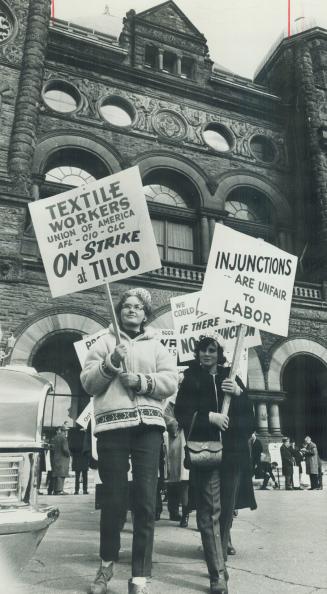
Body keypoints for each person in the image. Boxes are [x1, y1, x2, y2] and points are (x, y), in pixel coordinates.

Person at [81, 288, 177, 594]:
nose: (132, 310)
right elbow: (88, 382)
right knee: (114, 500)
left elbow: (170, 381)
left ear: (146, 315)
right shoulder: (104, 342)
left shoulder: (158, 346)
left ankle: (139, 576)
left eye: (138, 307)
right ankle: (106, 566)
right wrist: (111, 362)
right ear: (119, 311)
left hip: (147, 428)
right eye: (127, 306)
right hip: (112, 428)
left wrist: (142, 382)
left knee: (147, 502)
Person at [175, 336, 256, 594]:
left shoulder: (231, 377)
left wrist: (240, 395)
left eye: (212, 350)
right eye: (202, 350)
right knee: (209, 512)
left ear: (219, 353)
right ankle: (217, 573)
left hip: (232, 455)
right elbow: (181, 414)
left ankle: (219, 559)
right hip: (206, 453)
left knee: (225, 513)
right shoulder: (190, 379)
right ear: (197, 353)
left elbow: (249, 421)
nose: (206, 354)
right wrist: (209, 417)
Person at [163, 386, 190, 528]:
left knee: (189, 481)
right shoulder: (173, 401)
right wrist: (174, 424)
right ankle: (178, 512)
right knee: (178, 481)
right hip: (179, 442)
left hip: (194, 439)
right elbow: (167, 416)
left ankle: (188, 514)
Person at [69, 427, 91, 495]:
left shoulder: (74, 436)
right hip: (84, 457)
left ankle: (76, 490)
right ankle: (85, 490)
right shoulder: (86, 436)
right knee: (85, 475)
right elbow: (89, 447)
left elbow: (71, 447)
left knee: (77, 475)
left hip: (76, 458)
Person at [52, 425, 71, 495]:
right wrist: (69, 454)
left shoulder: (55, 437)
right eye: (66, 431)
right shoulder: (64, 438)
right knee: (61, 474)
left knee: (57, 474)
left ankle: (55, 490)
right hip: (62, 458)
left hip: (56, 457)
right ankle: (60, 490)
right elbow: (65, 449)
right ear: (64, 431)